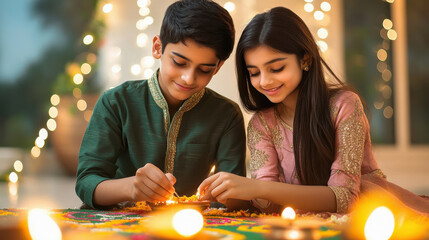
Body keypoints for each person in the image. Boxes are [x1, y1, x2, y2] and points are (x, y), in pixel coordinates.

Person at [198, 7, 429, 214]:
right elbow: (267, 204)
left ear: (305, 60)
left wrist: (257, 187)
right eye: (254, 72)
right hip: (304, 224)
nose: (265, 81)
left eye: (276, 68)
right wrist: (231, 193)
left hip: (370, 214)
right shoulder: (262, 123)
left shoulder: (344, 105)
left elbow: (344, 198)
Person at [75, 0, 246, 209]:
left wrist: (228, 193)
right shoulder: (116, 102)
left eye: (204, 69)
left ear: (218, 67)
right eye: (179, 62)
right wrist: (132, 188)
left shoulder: (226, 116)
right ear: (158, 47)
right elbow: (86, 183)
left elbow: (234, 199)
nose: (188, 78)